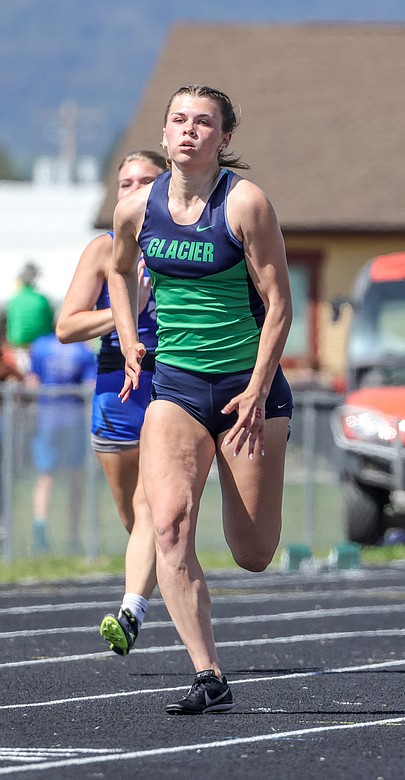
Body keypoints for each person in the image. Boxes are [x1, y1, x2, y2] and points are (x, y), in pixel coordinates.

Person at [108, 84, 293, 715]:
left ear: (225, 138)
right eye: (179, 121)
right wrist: (132, 340)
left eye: (204, 123)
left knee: (253, 552)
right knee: (168, 524)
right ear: (164, 135)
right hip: (177, 388)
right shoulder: (136, 208)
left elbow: (280, 305)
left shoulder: (245, 205)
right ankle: (208, 675)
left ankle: (259, 471)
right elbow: (117, 268)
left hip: (249, 387)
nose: (189, 131)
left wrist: (259, 390)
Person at [57, 149, 166, 654]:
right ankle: (158, 578)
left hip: (170, 385)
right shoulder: (102, 251)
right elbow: (66, 327)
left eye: (146, 181)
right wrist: (126, 312)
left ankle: (131, 612)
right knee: (136, 518)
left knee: (155, 509)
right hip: (116, 389)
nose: (134, 190)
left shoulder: (187, 245)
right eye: (125, 183)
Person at [26, 329, 96, 553]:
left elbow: (32, 382)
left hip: (47, 419)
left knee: (45, 477)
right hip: (73, 419)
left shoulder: (40, 345)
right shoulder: (83, 351)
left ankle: (41, 531)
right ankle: (72, 537)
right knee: (74, 479)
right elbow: (90, 386)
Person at [6, 263, 54, 375]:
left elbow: (11, 326)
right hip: (42, 347)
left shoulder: (14, 300)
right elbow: (50, 323)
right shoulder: (42, 300)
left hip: (18, 349)